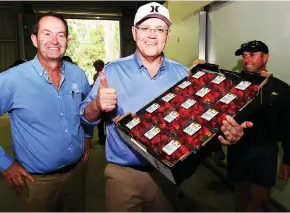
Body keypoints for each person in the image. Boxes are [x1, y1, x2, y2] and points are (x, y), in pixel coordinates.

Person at [79, 2, 253, 211]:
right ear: (134, 33)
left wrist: (227, 133)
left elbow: (199, 122)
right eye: (145, 28)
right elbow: (85, 117)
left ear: (167, 36)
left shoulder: (184, 75)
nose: (152, 35)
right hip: (124, 176)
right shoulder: (112, 72)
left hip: (168, 175)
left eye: (160, 29)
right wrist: (97, 105)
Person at [0, 12, 92, 211]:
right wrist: (4, 162)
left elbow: (87, 111)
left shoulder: (78, 75)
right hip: (37, 183)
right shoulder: (12, 80)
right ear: (34, 39)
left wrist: (88, 137)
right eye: (46, 34)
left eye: (61, 35)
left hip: (77, 174)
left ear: (68, 41)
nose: (54, 41)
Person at [227, 40, 290, 211]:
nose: (247, 60)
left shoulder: (281, 89)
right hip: (238, 149)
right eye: (244, 56)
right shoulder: (233, 85)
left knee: (260, 197)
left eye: (252, 55)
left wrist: (288, 160)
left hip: (265, 151)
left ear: (265, 57)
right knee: (240, 191)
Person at [92, 59, 106, 145]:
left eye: (96, 67)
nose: (95, 69)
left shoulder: (106, 74)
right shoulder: (95, 76)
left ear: (101, 66)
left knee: (107, 122)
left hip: (106, 99)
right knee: (100, 122)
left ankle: (106, 139)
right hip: (99, 100)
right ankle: (101, 139)